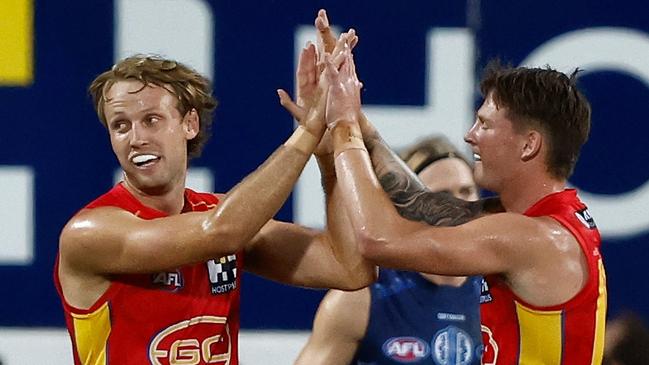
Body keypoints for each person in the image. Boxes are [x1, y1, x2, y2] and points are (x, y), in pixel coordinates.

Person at [54, 36, 375, 365]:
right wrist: (308, 131)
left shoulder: (221, 214)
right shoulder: (90, 232)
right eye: (120, 126)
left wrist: (328, 152)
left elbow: (348, 268)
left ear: (189, 124)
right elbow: (221, 232)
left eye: (152, 120)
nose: (136, 139)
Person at [319, 27, 607, 364]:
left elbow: (376, 239)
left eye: (484, 125)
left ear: (529, 145)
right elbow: (425, 205)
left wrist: (343, 128)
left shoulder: (533, 237)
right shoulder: (539, 220)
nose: (470, 136)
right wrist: (361, 124)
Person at [295, 136, 483, 365]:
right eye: (441, 196)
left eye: (466, 191)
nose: (457, 207)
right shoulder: (359, 300)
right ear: (406, 207)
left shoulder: (502, 288)